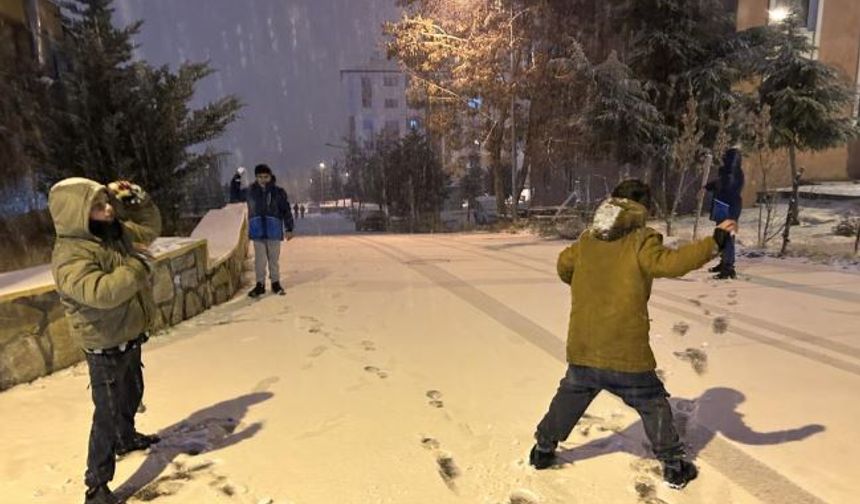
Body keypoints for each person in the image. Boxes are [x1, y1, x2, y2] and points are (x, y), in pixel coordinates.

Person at [529, 179, 736, 490]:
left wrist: (591, 281)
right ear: (643, 206)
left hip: (585, 346)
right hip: (625, 352)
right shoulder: (641, 240)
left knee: (570, 397)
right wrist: (714, 242)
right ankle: (672, 464)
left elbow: (563, 265)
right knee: (652, 402)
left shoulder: (588, 239)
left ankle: (543, 450)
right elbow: (672, 263)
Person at [49, 178, 163, 504]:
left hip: (127, 334)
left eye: (108, 201)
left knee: (132, 393)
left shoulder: (113, 233)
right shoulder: (70, 255)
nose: (109, 209)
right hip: (103, 344)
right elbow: (101, 292)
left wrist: (138, 199)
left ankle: (125, 438)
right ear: (77, 214)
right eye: (99, 206)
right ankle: (96, 485)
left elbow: (149, 230)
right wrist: (137, 265)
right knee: (107, 415)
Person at [247, 164, 294, 297]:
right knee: (260, 261)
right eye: (260, 177)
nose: (263, 179)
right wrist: (236, 179)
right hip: (257, 231)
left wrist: (289, 228)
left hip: (273, 230)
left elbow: (286, 210)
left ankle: (275, 283)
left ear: (270, 176)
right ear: (256, 177)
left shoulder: (278, 192)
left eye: (265, 177)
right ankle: (260, 285)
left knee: (273, 260)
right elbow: (234, 196)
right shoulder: (251, 191)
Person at [705, 146, 744, 279]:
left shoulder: (732, 174)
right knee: (723, 236)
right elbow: (718, 183)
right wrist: (706, 187)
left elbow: (725, 187)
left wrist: (713, 186)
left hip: (729, 208)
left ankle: (728, 268)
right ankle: (724, 263)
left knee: (727, 237)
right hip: (725, 206)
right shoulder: (729, 173)